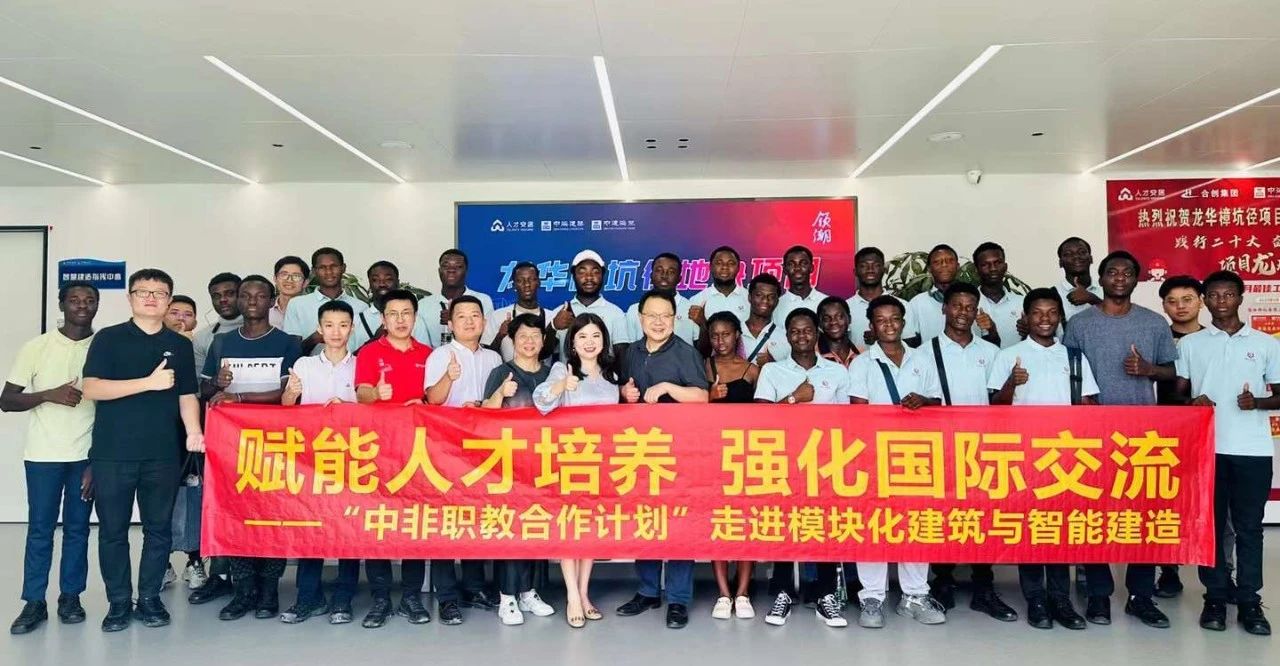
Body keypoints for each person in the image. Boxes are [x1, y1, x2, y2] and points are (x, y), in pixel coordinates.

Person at [81, 269, 204, 632]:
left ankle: (150, 598)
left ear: (169, 300)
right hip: (112, 452)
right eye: (143, 292)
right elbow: (91, 388)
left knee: (158, 529)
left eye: (159, 293)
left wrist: (194, 432)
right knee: (113, 531)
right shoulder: (109, 338)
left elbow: (187, 395)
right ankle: (119, 602)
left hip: (162, 453)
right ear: (130, 298)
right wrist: (148, 383)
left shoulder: (179, 344)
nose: (151, 298)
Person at [1062, 250, 1178, 629]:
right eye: (1112, 272)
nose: (1119, 278)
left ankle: (1140, 596)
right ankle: (1098, 594)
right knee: (1093, 515)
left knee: (1142, 517)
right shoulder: (1080, 324)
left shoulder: (1154, 322)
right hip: (1090, 435)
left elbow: (1172, 373)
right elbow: (1066, 370)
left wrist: (1149, 368)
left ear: (1136, 279)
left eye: (1127, 273)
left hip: (1142, 435)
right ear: (1101, 278)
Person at [988, 288, 1097, 630]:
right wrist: (1012, 382)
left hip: (1066, 456)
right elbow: (994, 407)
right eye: (1037, 313)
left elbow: (1089, 404)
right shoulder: (1009, 355)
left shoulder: (1074, 357)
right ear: (1026, 317)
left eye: (1051, 312)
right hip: (1024, 456)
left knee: (1060, 529)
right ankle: (1035, 597)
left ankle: (1061, 599)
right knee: (1030, 529)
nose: (1045, 319)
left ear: (1060, 317)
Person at [1176, 270, 1275, 636]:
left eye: (1228, 294)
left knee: (1250, 528)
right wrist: (1192, 402)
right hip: (1207, 450)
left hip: (1253, 450)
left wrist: (1258, 402)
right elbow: (1176, 394)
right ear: (1205, 300)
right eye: (1214, 295)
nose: (1221, 301)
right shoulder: (1190, 345)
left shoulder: (1266, 344)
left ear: (1240, 298)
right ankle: (1215, 597)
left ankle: (1249, 601)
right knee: (1211, 528)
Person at [200, 275, 302, 622]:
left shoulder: (288, 342)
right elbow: (207, 392)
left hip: (276, 444)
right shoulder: (222, 343)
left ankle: (269, 591)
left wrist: (240, 396)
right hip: (231, 447)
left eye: (260, 296)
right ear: (239, 301)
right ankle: (243, 591)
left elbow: (289, 393)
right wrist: (217, 384)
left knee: (272, 518)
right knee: (236, 516)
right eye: (246, 295)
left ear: (271, 301)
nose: (253, 301)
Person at [3, 281, 98, 635]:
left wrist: (97, 461)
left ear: (97, 305)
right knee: (40, 529)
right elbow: (6, 400)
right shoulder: (37, 347)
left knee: (78, 529)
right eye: (74, 300)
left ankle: (70, 597)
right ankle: (34, 602)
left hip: (86, 457)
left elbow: (114, 409)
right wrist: (48, 395)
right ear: (61, 305)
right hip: (43, 455)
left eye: (89, 300)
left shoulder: (104, 347)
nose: (82, 305)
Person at [847, 295, 945, 628]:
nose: (888, 325)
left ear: (904, 322)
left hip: (916, 454)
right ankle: (872, 597)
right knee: (873, 524)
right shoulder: (862, 364)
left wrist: (924, 401)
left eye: (894, 319)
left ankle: (914, 595)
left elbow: (939, 403)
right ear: (871, 327)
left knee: (915, 523)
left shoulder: (922, 359)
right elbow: (857, 413)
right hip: (873, 455)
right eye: (881, 320)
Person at [921, 283, 1016, 622]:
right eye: (957, 305)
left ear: (977, 312)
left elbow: (999, 400)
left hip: (982, 446)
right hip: (941, 447)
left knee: (982, 516)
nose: (963, 312)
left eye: (970, 307)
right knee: (942, 515)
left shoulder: (990, 353)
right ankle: (942, 581)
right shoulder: (924, 352)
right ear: (944, 308)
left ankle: (983, 585)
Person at [617, 290, 710, 630]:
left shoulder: (685, 352)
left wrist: (670, 387)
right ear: (640, 318)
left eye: (665, 316)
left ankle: (679, 598)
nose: (658, 322)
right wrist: (624, 394)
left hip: (680, 455)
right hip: (641, 452)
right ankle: (647, 590)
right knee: (646, 520)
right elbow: (624, 393)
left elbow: (702, 397)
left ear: (675, 318)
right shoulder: (631, 352)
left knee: (680, 523)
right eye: (652, 315)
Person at [755, 308, 851, 629]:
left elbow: (849, 421)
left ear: (817, 332)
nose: (801, 336)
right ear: (787, 336)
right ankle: (783, 592)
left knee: (823, 527)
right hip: (783, 460)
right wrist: (795, 399)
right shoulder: (773, 371)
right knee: (784, 526)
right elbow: (760, 419)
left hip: (825, 461)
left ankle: (826, 595)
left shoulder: (836, 372)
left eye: (807, 330)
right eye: (795, 331)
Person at [533, 313, 623, 628]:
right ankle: (572, 595)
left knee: (590, 530)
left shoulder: (612, 374)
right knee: (570, 528)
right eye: (582, 336)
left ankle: (584, 594)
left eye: (595, 335)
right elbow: (541, 402)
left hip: (600, 462)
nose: (589, 342)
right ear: (572, 342)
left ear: (604, 341)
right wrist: (562, 386)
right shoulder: (563, 368)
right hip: (570, 460)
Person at [353, 288, 433, 628]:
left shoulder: (429, 354)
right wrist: (376, 393)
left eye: (406, 313)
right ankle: (381, 598)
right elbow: (361, 393)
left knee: (415, 521)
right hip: (379, 450)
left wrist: (424, 404)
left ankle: (411, 596)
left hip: (417, 452)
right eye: (393, 314)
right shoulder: (370, 352)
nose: (400, 320)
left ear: (415, 317)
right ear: (383, 320)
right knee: (378, 522)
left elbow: (437, 399)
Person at [279, 300, 362, 625]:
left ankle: (343, 598)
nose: (336, 332)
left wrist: (347, 408)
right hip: (311, 461)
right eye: (329, 325)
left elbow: (373, 413)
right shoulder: (304, 364)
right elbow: (287, 409)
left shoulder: (361, 365)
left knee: (349, 528)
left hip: (353, 459)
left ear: (351, 328)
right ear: (319, 328)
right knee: (310, 528)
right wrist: (291, 393)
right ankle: (307, 598)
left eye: (343, 325)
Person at [425, 295, 504, 624]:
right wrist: (449, 377)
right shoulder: (440, 355)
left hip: (483, 450)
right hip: (446, 449)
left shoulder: (494, 358)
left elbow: (497, 402)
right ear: (450, 322)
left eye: (475, 316)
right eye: (462, 316)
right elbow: (432, 400)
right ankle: (446, 596)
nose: (469, 321)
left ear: (484, 322)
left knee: (476, 517)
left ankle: (474, 587)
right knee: (445, 521)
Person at [480, 314, 556, 626]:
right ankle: (507, 597)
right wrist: (501, 393)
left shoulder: (552, 374)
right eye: (523, 336)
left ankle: (528, 591)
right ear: (512, 340)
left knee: (535, 526)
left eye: (535, 336)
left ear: (543, 341)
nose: (529, 341)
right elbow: (484, 415)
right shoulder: (501, 372)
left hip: (543, 464)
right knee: (511, 529)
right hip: (508, 464)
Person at [703, 311, 759, 621]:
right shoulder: (704, 366)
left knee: (746, 524)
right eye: (714, 335)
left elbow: (766, 415)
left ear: (737, 335)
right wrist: (709, 397)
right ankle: (724, 594)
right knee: (720, 524)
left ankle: (743, 592)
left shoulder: (752, 370)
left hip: (747, 456)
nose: (720, 340)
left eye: (726, 334)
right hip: (713, 456)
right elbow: (690, 411)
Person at [1154, 276, 1207, 599]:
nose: (1180, 307)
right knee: (1166, 503)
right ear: (1163, 306)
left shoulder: (1214, 339)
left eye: (1188, 299)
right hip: (1163, 432)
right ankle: (1168, 570)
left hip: (1205, 433)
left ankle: (1221, 575)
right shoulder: (1158, 338)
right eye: (1172, 301)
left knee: (1209, 504)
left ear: (1201, 301)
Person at [282, 247, 363, 355]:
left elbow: (365, 350)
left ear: (343, 268)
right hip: (309, 365)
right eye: (322, 267)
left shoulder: (361, 307)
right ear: (314, 271)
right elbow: (291, 352)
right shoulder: (297, 305)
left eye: (333, 266)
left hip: (351, 365)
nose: (328, 272)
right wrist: (315, 338)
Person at [552, 250, 626, 359]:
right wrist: (553, 326)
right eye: (582, 272)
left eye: (595, 272)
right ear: (574, 276)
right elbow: (543, 354)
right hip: (569, 371)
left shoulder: (616, 313)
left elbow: (623, 358)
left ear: (602, 275)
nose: (589, 277)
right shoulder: (561, 312)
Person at [349, 260, 434, 352]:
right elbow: (347, 358)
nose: (382, 284)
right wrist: (375, 340)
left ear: (397, 283)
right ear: (370, 284)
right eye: (375, 280)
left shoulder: (414, 320)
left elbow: (425, 355)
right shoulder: (356, 321)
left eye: (388, 279)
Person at [482, 261, 556, 363]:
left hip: (544, 373)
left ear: (539, 282)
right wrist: (500, 336)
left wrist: (551, 329)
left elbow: (555, 353)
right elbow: (485, 357)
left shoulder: (552, 317)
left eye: (531, 279)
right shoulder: (498, 316)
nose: (527, 284)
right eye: (520, 281)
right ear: (514, 285)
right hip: (508, 372)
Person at [420, 249, 494, 347]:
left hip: (472, 356)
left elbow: (486, 340)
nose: (451, 270)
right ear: (439, 271)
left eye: (458, 266)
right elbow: (420, 345)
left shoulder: (483, 300)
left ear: (466, 271)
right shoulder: (423, 305)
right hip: (434, 356)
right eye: (446, 266)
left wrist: (455, 320)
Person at [623, 253, 697, 345]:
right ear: (651, 275)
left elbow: (700, 348)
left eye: (671, 272)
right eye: (659, 270)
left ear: (679, 279)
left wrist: (702, 324)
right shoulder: (634, 310)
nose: (664, 276)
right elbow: (630, 349)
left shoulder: (691, 309)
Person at [689, 246, 750, 354]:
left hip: (746, 361)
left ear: (738, 268)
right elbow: (695, 345)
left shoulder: (750, 299)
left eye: (731, 263)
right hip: (709, 362)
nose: (725, 267)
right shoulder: (697, 300)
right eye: (719, 263)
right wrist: (703, 323)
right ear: (710, 267)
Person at [903, 244, 966, 347]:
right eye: (937, 262)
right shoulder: (917, 303)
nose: (944, 265)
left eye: (949, 261)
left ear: (958, 266)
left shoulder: (972, 300)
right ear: (929, 269)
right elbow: (910, 345)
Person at [973, 242, 1024, 348]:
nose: (993, 268)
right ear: (976, 270)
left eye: (997, 263)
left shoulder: (1022, 303)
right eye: (985, 264)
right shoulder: (968, 305)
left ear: (1005, 266)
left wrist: (1030, 332)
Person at [845, 247, 896, 353]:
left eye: (876, 265)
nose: (870, 270)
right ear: (855, 271)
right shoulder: (845, 308)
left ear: (884, 270)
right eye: (864, 266)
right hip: (856, 363)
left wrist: (882, 337)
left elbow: (911, 344)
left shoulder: (901, 305)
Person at [192, 273, 242, 373]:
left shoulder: (264, 330)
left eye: (230, 293)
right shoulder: (202, 337)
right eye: (216, 296)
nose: (223, 300)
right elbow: (200, 379)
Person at [741, 273, 791, 366]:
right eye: (759, 295)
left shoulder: (786, 338)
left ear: (777, 301)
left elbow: (792, 372)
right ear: (749, 297)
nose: (765, 300)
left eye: (771, 297)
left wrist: (773, 364)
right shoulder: (735, 332)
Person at [773, 245, 827, 327]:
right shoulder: (776, 306)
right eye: (791, 264)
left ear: (811, 267)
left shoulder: (826, 302)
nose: (797, 268)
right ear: (784, 269)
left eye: (803, 263)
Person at [1055, 237, 1103, 325]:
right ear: (1060, 263)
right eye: (1068, 254)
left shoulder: (1105, 290)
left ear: (1091, 259)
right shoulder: (1053, 294)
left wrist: (1092, 299)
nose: (1076, 256)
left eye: (1082, 252)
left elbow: (1121, 321)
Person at [270, 255, 309, 328]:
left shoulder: (314, 312)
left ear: (305, 283)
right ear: (275, 278)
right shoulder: (265, 314)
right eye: (284, 275)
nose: (289, 280)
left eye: (296, 276)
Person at [817, 296, 857, 368]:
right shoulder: (813, 356)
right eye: (826, 319)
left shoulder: (862, 355)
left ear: (849, 319)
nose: (833, 322)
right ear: (820, 324)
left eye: (839, 317)